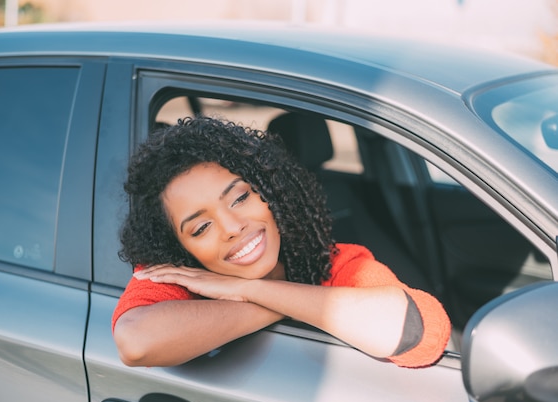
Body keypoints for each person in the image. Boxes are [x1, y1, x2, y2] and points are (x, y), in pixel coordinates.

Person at [112, 116, 451, 368]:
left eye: (240, 198)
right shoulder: (178, 276)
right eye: (200, 228)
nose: (232, 227)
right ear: (180, 249)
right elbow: (136, 341)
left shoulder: (328, 260)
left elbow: (418, 332)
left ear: (271, 191)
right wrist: (278, 302)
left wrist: (253, 290)